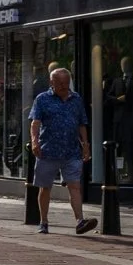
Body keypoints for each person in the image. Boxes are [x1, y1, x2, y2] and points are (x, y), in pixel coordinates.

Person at [28, 64, 94, 234]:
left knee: (74, 186)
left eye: (66, 83)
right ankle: (43, 221)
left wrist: (85, 144)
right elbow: (35, 123)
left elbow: (81, 123)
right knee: (45, 187)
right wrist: (34, 141)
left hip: (71, 151)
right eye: (60, 84)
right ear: (52, 83)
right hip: (48, 151)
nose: (64, 87)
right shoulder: (42, 99)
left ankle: (80, 221)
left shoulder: (76, 99)